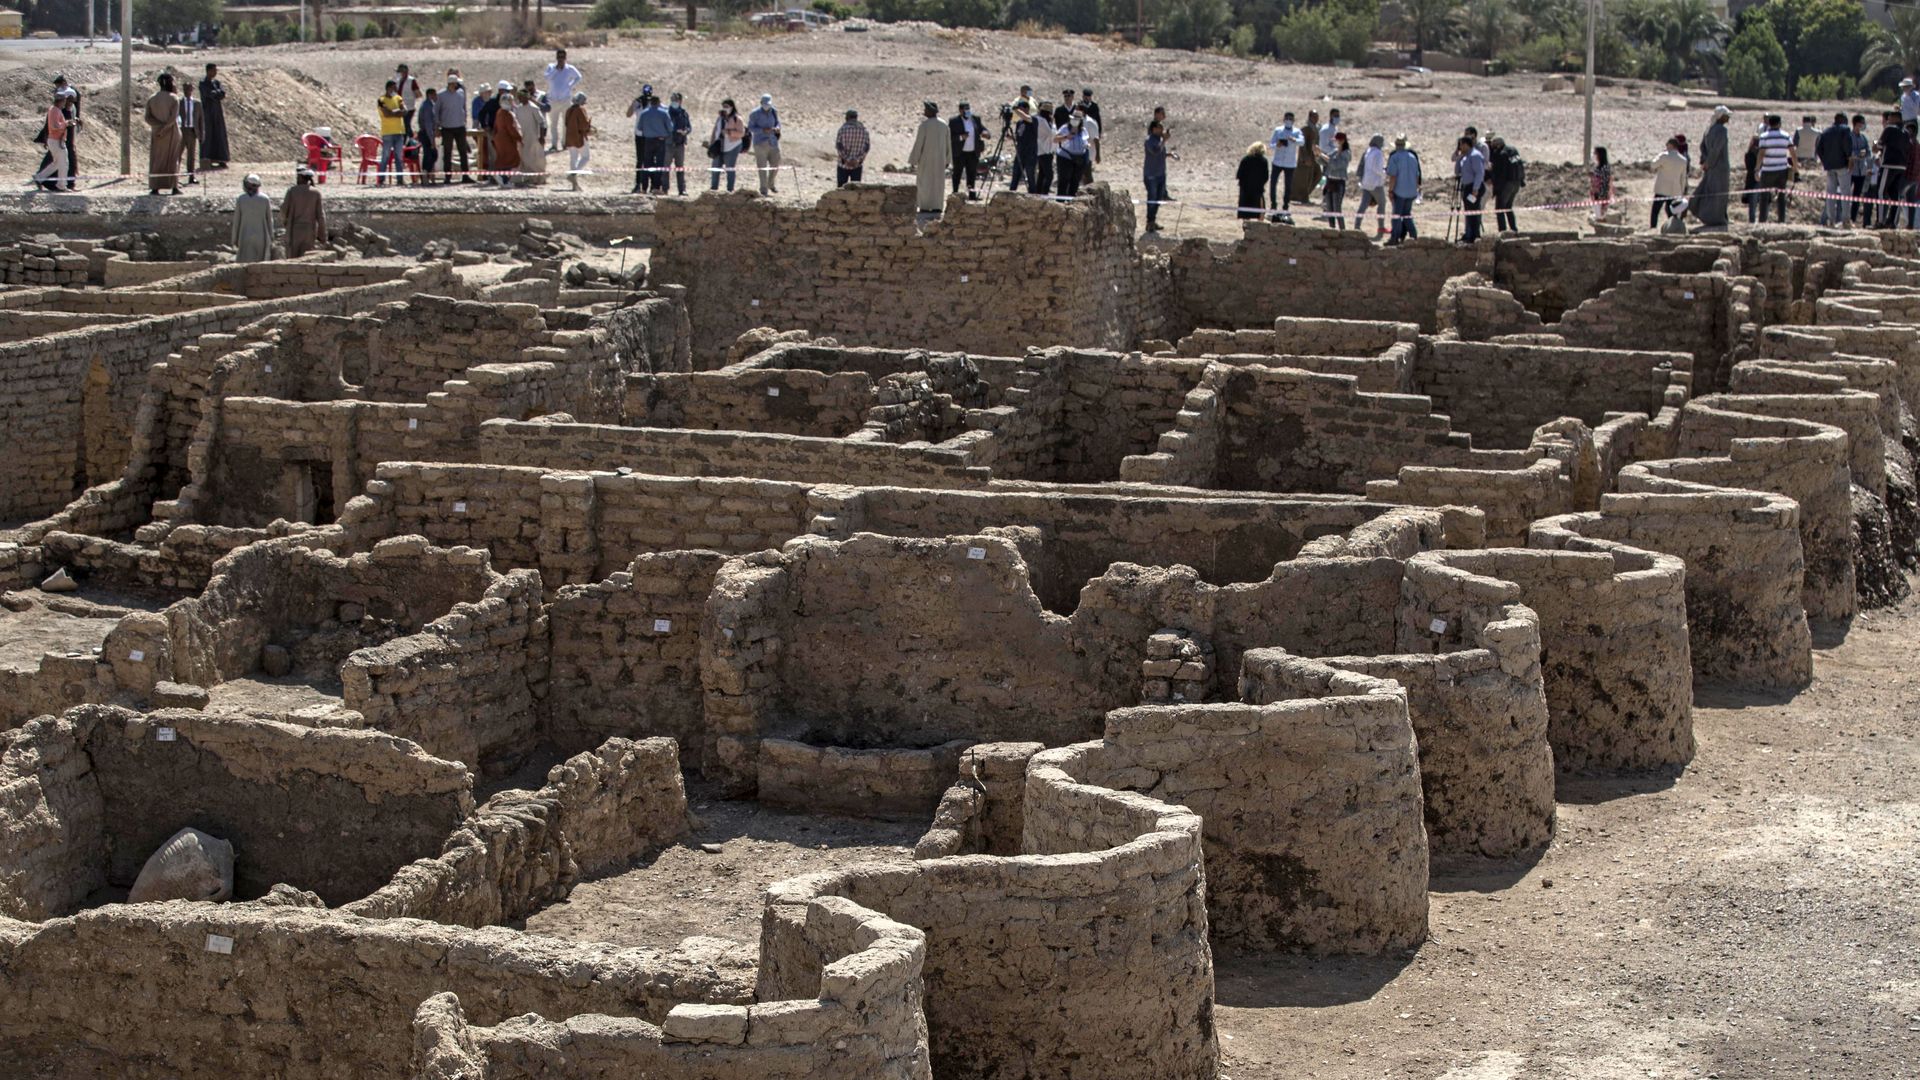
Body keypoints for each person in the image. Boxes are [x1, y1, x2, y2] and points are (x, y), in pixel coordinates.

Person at [908, 101, 951, 213]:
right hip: (940, 160)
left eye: (926, 109)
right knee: (938, 183)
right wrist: (948, 159)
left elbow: (919, 144)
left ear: (930, 111)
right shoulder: (944, 125)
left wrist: (914, 159)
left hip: (926, 159)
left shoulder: (924, 126)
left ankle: (925, 206)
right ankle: (937, 206)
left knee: (925, 182)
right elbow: (948, 144)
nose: (924, 111)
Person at [145, 73, 183, 196]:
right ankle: (174, 187)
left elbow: (148, 118)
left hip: (157, 134)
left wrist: (159, 127)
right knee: (172, 159)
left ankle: (155, 187)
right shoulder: (174, 98)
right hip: (171, 133)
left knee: (156, 159)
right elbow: (173, 119)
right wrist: (164, 129)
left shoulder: (152, 98)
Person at [1695, 105, 1731, 230]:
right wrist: (1709, 162)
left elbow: (1702, 147)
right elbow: (1716, 150)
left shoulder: (1709, 130)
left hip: (1710, 167)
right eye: (1727, 116)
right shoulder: (1722, 131)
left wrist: (1704, 162)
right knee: (1720, 193)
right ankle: (1718, 219)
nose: (1728, 118)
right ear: (1721, 117)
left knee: (1711, 191)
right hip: (1720, 168)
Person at [1816, 111, 1854, 226]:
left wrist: (1825, 162)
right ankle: (1845, 220)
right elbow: (1847, 145)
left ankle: (1830, 220)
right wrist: (1849, 159)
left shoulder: (1826, 131)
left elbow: (1819, 148)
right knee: (1845, 193)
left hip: (1830, 166)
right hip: (1842, 165)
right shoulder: (1845, 130)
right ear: (1843, 120)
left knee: (1830, 193)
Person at [31, 86, 71, 191]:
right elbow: (55, 126)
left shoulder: (54, 110)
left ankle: (39, 178)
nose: (64, 103)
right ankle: (62, 185)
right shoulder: (55, 110)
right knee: (63, 163)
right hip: (56, 140)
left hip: (55, 140)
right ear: (60, 101)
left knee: (56, 163)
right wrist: (66, 123)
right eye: (64, 101)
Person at [1755, 114, 1794, 223]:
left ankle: (1762, 220)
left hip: (1767, 170)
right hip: (1782, 170)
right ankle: (1781, 220)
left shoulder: (1763, 136)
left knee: (1764, 196)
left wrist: (1757, 169)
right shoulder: (1786, 135)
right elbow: (1792, 152)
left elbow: (1761, 153)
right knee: (1781, 196)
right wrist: (1795, 167)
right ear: (1780, 124)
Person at [632, 92, 672, 194]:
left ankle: (644, 187)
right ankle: (656, 187)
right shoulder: (664, 113)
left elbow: (640, 128)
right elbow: (670, 128)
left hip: (648, 141)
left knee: (647, 164)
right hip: (660, 141)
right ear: (659, 103)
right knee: (659, 164)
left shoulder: (644, 113)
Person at [544, 49, 583, 151]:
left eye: (563, 57)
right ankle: (553, 144)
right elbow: (547, 77)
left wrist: (570, 86)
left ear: (565, 58)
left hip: (565, 100)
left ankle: (565, 143)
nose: (561, 59)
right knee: (553, 124)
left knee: (566, 123)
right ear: (556, 58)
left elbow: (578, 77)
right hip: (553, 100)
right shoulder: (551, 67)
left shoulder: (569, 68)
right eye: (559, 57)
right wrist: (556, 69)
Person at [1386, 134, 1421, 244]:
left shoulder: (1394, 157)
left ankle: (1394, 238)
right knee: (1407, 215)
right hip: (1411, 191)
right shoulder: (1412, 157)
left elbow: (1393, 176)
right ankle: (1413, 235)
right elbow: (1417, 175)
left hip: (1399, 191)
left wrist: (1390, 190)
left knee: (1396, 216)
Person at [283, 167, 325, 256]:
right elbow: (321, 216)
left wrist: (285, 223)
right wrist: (322, 235)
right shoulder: (316, 192)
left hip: (294, 230)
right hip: (310, 231)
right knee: (306, 257)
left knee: (293, 258)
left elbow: (283, 210)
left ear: (301, 178)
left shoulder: (292, 191)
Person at [231, 174, 274, 262]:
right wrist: (271, 237)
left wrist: (234, 239)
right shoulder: (265, 199)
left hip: (244, 236)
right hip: (261, 237)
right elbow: (269, 220)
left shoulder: (241, 199)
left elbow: (237, 221)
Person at [707, 99, 746, 191]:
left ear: (732, 107)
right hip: (718, 146)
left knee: (730, 168)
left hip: (732, 146)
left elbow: (741, 133)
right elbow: (715, 130)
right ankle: (713, 188)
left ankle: (730, 189)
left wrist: (729, 132)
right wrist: (712, 143)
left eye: (727, 106)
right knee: (715, 167)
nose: (725, 108)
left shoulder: (737, 119)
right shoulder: (720, 118)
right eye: (724, 106)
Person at [1268, 112, 1302, 216]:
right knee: (1273, 184)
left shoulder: (1296, 131)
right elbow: (1271, 144)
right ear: (1283, 119)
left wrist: (1294, 139)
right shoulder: (1278, 130)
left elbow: (1302, 142)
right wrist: (1277, 145)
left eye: (1290, 118)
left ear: (1293, 120)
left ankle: (1285, 206)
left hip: (1289, 163)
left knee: (1288, 186)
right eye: (1286, 118)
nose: (1288, 120)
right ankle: (1273, 204)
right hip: (1277, 161)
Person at [489, 82, 523, 187]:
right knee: (512, 159)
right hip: (507, 140)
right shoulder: (507, 114)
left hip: (499, 139)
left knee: (502, 158)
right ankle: (504, 178)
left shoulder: (499, 112)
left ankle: (503, 179)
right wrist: (519, 137)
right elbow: (511, 128)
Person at [949, 102, 985, 199]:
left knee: (972, 174)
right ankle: (955, 193)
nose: (967, 111)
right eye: (965, 109)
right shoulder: (954, 121)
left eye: (968, 109)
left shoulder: (975, 119)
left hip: (972, 153)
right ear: (960, 110)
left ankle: (972, 195)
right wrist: (961, 137)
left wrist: (986, 133)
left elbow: (982, 129)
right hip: (960, 153)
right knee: (957, 173)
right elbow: (950, 136)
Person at [748, 93, 782, 195]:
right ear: (761, 103)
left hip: (773, 142)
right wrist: (763, 130)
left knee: (775, 164)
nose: (767, 106)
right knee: (762, 167)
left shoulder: (774, 112)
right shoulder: (755, 114)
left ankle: (770, 184)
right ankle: (763, 189)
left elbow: (778, 122)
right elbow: (750, 128)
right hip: (760, 143)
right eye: (765, 103)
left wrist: (777, 128)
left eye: (768, 104)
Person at [1354, 133, 1388, 234]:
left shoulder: (1368, 151)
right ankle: (1381, 226)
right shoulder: (1378, 153)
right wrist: (1385, 173)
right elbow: (1378, 169)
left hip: (1366, 182)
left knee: (1363, 205)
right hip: (1375, 183)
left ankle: (1357, 225)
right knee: (1382, 203)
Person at [512, 87, 546, 187]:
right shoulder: (518, 109)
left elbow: (541, 122)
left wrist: (542, 137)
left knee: (534, 158)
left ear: (526, 97)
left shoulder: (534, 108)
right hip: (522, 137)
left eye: (521, 97)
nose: (519, 99)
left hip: (533, 137)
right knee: (523, 157)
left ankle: (538, 178)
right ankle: (526, 178)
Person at [1455, 134, 1486, 242]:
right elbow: (1457, 171)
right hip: (1467, 186)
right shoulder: (1465, 156)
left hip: (1474, 187)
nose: (1460, 147)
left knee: (1473, 211)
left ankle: (1474, 235)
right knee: (1468, 211)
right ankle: (1469, 234)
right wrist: (1459, 157)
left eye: (1461, 145)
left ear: (1466, 145)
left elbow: (1479, 173)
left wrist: (1475, 189)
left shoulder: (1475, 156)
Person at [1054, 110, 1092, 199]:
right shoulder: (1065, 128)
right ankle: (1061, 201)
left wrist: (1086, 145)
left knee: (1075, 181)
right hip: (1066, 157)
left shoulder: (1083, 130)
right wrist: (1066, 136)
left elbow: (1085, 140)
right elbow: (1055, 139)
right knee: (1064, 180)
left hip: (1079, 158)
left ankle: (1071, 200)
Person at [439, 75, 470, 183]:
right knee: (447, 153)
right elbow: (437, 111)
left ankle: (466, 175)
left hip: (460, 127)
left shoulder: (461, 93)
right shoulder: (441, 95)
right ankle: (447, 176)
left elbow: (463, 107)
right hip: (447, 127)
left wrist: (464, 119)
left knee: (463, 152)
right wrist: (438, 126)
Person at [1652, 136, 1688, 228]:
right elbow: (1683, 178)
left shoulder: (1664, 156)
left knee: (1655, 211)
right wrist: (1682, 191)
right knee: (1672, 212)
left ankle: (1653, 228)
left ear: (1671, 145)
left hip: (1661, 189)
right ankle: (1672, 228)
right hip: (1674, 190)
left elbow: (1653, 165)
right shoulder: (1683, 160)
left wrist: (1659, 155)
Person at [199, 64, 229, 169]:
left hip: (217, 113)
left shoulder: (216, 83)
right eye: (214, 70)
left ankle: (221, 159)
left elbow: (222, 93)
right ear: (208, 71)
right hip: (207, 113)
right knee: (208, 136)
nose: (215, 72)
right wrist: (217, 93)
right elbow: (210, 94)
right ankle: (207, 159)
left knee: (219, 134)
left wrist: (217, 93)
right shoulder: (203, 83)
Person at [1290, 109, 1322, 209]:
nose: (1316, 118)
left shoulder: (1316, 129)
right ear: (1310, 117)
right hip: (1306, 157)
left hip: (1313, 157)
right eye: (1314, 116)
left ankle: (1305, 195)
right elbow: (1302, 145)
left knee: (1317, 175)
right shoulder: (1306, 129)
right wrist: (1305, 158)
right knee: (1304, 179)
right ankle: (1302, 197)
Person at [376, 81, 405, 185]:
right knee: (385, 156)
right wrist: (396, 112)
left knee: (399, 157)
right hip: (388, 132)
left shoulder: (398, 98)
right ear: (388, 88)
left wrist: (394, 111)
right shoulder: (381, 100)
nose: (395, 90)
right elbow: (386, 114)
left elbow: (404, 111)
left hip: (399, 131)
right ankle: (381, 179)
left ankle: (400, 179)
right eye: (393, 88)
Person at [1143, 119, 1170, 231]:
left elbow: (1161, 153)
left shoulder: (1159, 140)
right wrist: (1164, 141)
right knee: (1152, 198)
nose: (1162, 130)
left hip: (1160, 174)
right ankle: (1149, 222)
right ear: (1154, 129)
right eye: (1160, 128)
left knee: (1158, 198)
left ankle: (1153, 221)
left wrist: (1169, 154)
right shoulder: (1149, 140)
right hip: (1151, 175)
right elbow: (1155, 151)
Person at [1322, 130, 1350, 229]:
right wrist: (1317, 154)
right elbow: (1324, 161)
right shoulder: (1334, 151)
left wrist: (1324, 157)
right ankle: (1332, 228)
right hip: (1330, 181)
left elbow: (1336, 165)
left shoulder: (1346, 153)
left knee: (1337, 209)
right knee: (1329, 208)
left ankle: (1342, 230)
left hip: (1338, 183)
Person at [1009, 102, 1039, 193]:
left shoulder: (1033, 120)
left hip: (1030, 152)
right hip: (1020, 151)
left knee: (1030, 175)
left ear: (1026, 109)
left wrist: (1015, 109)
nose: (1019, 112)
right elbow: (1018, 136)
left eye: (1021, 109)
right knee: (1016, 173)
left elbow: (1027, 118)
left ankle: (1032, 193)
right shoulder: (1019, 123)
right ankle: (1012, 192)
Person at [564, 92, 592, 191]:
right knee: (586, 157)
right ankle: (573, 174)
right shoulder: (581, 110)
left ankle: (574, 185)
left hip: (569, 137)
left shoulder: (569, 110)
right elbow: (584, 125)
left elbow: (566, 123)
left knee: (573, 159)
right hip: (579, 137)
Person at [835, 108, 870, 187]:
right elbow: (866, 148)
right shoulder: (864, 131)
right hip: (857, 165)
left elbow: (839, 146)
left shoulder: (842, 130)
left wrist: (847, 159)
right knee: (855, 190)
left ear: (847, 118)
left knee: (841, 190)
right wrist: (857, 160)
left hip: (843, 164)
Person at [1235, 142, 1268, 220]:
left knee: (1245, 209)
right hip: (1257, 189)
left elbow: (1239, 174)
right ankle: (1260, 224)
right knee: (1260, 209)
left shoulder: (1245, 159)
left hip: (1245, 189)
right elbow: (1266, 176)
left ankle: (1246, 224)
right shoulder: (1263, 161)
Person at [1850, 113, 1873, 225]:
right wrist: (1859, 154)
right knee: (1845, 195)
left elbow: (1867, 152)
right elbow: (1850, 152)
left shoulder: (1863, 138)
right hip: (1851, 170)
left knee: (1857, 197)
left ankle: (1853, 219)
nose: (1863, 125)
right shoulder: (1849, 136)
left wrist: (1860, 154)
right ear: (1856, 124)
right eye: (1861, 123)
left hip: (1861, 172)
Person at [668, 92, 692, 196]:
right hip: (669, 143)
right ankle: (665, 189)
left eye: (676, 100)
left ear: (680, 101)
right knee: (665, 168)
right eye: (673, 100)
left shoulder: (684, 113)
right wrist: (674, 131)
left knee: (680, 168)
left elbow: (689, 127)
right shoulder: (667, 112)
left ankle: (682, 189)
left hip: (680, 144)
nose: (674, 102)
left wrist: (685, 131)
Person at [178, 81, 201, 185]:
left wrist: (201, 133)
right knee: (178, 154)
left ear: (192, 90)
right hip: (181, 131)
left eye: (189, 89)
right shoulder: (179, 103)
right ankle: (175, 177)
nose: (187, 91)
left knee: (191, 156)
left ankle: (191, 177)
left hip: (192, 131)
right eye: (185, 89)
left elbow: (201, 120)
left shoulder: (197, 104)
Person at [417, 86, 440, 183]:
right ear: (430, 95)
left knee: (431, 155)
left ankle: (427, 174)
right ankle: (425, 175)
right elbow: (428, 124)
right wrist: (432, 140)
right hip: (426, 134)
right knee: (430, 155)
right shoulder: (427, 107)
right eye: (434, 94)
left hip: (428, 133)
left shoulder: (430, 105)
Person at [474, 84, 497, 180]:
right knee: (482, 151)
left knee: (492, 151)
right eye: (488, 92)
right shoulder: (477, 102)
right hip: (481, 128)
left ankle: (492, 171)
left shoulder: (492, 101)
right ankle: (484, 172)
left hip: (490, 129)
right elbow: (476, 116)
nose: (490, 93)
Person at [394, 64, 422, 140]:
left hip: (409, 107)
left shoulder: (411, 81)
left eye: (401, 72)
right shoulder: (398, 81)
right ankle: (409, 139)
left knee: (406, 125)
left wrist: (410, 98)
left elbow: (418, 94)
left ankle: (411, 139)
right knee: (402, 125)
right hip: (399, 107)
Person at [1589, 145, 1612, 221]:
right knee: (1597, 214)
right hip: (1595, 194)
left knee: (1600, 216)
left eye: (1596, 154)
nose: (1594, 156)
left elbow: (1605, 182)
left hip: (1601, 195)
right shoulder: (1597, 167)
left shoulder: (1605, 168)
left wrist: (1602, 195)